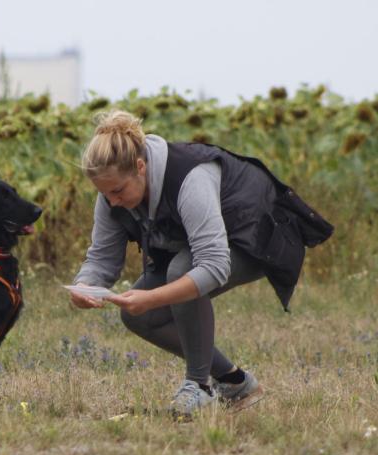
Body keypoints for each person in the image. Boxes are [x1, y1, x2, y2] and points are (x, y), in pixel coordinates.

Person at [70, 109, 333, 420]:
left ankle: (199, 386)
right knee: (139, 317)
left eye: (117, 191)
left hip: (259, 239)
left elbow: (214, 265)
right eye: (104, 193)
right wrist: (85, 285)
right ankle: (236, 384)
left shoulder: (191, 177)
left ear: (140, 167)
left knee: (181, 272)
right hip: (199, 249)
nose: (112, 201)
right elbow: (101, 258)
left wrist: (152, 297)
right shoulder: (112, 194)